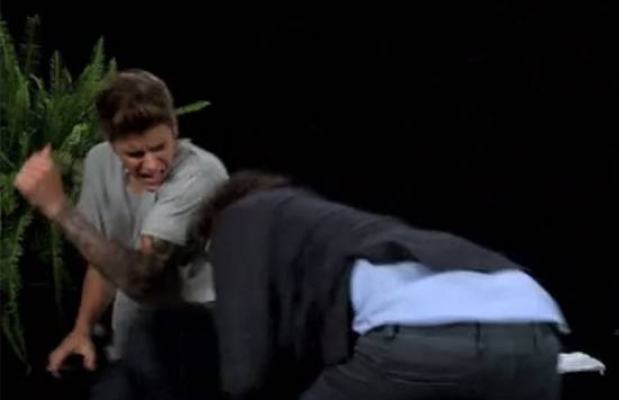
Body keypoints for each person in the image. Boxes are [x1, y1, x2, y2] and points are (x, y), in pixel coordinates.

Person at [198, 171, 568, 400]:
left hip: (425, 337)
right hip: (536, 332)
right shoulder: (347, 231)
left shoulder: (238, 216)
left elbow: (245, 360)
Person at [13, 69, 228, 377]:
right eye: (135, 153)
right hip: (134, 331)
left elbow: (144, 277)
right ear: (112, 145)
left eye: (159, 147)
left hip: (201, 325)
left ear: (174, 127)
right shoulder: (99, 161)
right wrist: (82, 329)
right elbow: (104, 258)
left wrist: (59, 208)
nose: (152, 165)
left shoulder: (200, 175)